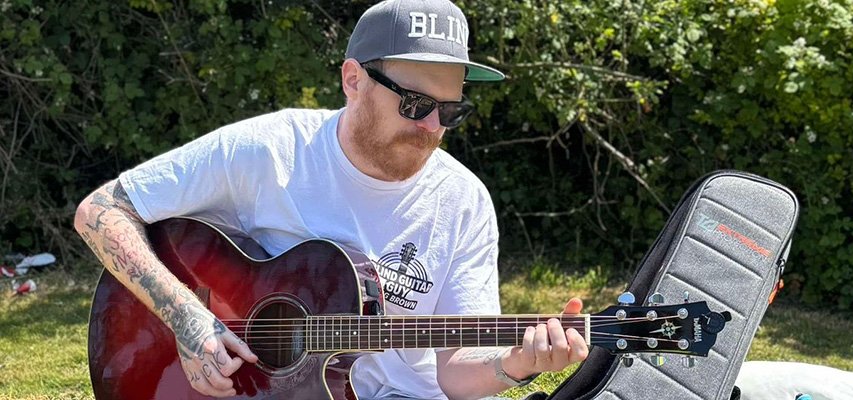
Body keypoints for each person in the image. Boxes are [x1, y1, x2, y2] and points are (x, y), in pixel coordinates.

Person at [72, 0, 589, 398]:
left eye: (451, 112)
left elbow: (455, 374)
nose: (433, 128)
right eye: (415, 104)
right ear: (353, 79)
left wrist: (518, 364)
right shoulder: (268, 151)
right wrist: (186, 316)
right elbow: (100, 210)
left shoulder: (464, 202)